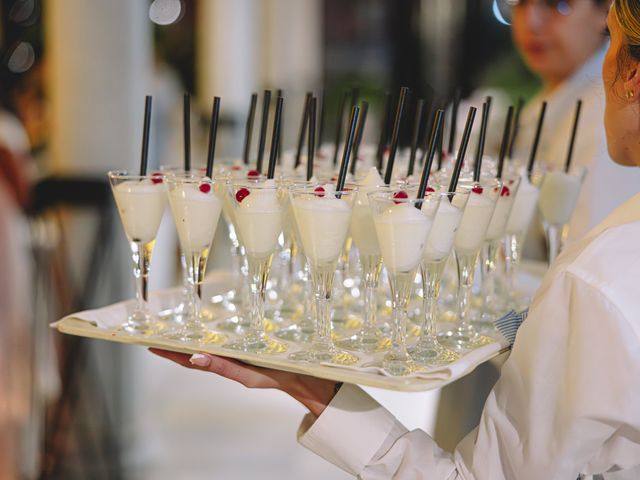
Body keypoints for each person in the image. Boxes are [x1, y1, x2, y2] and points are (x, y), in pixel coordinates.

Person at [152, 1, 640, 477]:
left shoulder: (593, 283)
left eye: (609, 43)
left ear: (631, 74)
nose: (532, 20)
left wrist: (314, 389)